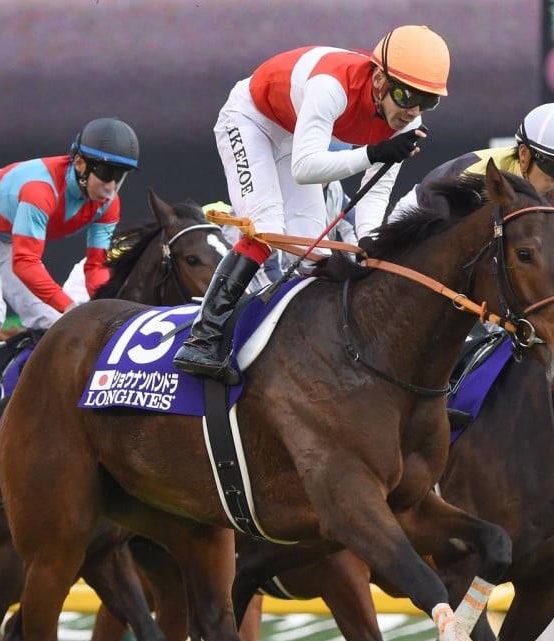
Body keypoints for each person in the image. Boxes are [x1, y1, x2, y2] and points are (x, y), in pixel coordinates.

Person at [174, 24, 451, 385]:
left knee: (307, 254)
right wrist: (374, 153)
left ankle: (300, 345)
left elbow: (377, 190)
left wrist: (370, 242)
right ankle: (203, 339)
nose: (413, 110)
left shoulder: (405, 115)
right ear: (381, 79)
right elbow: (305, 168)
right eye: (406, 95)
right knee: (266, 227)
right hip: (250, 119)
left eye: (427, 101)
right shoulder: (331, 87)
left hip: (291, 131)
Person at [0, 117, 140, 413]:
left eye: (120, 174)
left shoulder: (108, 204)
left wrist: (103, 310)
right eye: (106, 172)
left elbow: (96, 268)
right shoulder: (40, 190)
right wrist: (70, 306)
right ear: (79, 165)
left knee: (50, 321)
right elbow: (24, 263)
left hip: (10, 239)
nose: (111, 186)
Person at [390, 101, 554, 300]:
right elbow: (447, 250)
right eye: (553, 167)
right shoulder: (480, 176)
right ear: (524, 156)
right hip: (421, 218)